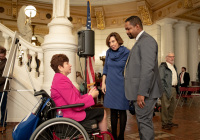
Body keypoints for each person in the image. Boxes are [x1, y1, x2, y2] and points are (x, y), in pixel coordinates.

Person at [50, 54, 107, 139]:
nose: (70, 65)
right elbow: (75, 104)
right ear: (60, 67)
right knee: (103, 113)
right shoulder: (61, 81)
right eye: (67, 63)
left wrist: (88, 95)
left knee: (98, 112)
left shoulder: (60, 79)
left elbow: (76, 98)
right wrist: (91, 97)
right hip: (70, 115)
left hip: (68, 112)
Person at [124, 16, 162, 140]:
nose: (127, 32)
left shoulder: (147, 41)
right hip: (141, 92)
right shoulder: (140, 41)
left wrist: (142, 93)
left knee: (144, 123)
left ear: (137, 26)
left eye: (128, 29)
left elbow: (148, 69)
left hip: (145, 93)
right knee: (142, 123)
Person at [102, 32, 130, 140]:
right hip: (110, 84)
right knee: (113, 111)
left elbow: (131, 69)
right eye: (109, 43)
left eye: (113, 41)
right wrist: (103, 83)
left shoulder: (127, 52)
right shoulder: (108, 52)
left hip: (122, 85)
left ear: (118, 40)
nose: (111, 44)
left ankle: (121, 136)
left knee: (122, 110)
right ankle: (113, 136)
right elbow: (106, 69)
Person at [159, 52, 179, 130]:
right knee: (165, 107)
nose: (172, 58)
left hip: (174, 89)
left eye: (173, 56)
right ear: (166, 58)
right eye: (170, 56)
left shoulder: (174, 67)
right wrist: (163, 90)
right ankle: (164, 123)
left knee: (172, 107)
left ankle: (169, 121)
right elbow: (161, 79)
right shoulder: (163, 67)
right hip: (166, 89)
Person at [0, 46, 9, 132]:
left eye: (2, 56)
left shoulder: (7, 63)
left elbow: (4, 76)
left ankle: (3, 124)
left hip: (3, 88)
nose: (1, 57)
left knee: (3, 107)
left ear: (5, 55)